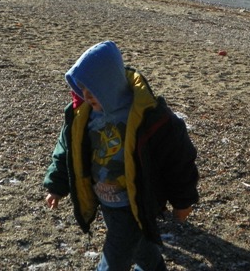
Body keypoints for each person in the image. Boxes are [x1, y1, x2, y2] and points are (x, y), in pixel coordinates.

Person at [43, 41, 199, 271]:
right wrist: (56, 185)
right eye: (81, 87)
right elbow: (66, 149)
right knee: (138, 245)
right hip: (105, 200)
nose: (86, 95)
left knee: (116, 254)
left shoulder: (151, 118)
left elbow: (178, 163)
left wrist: (183, 202)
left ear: (109, 85)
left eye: (92, 89)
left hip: (136, 200)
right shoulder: (83, 115)